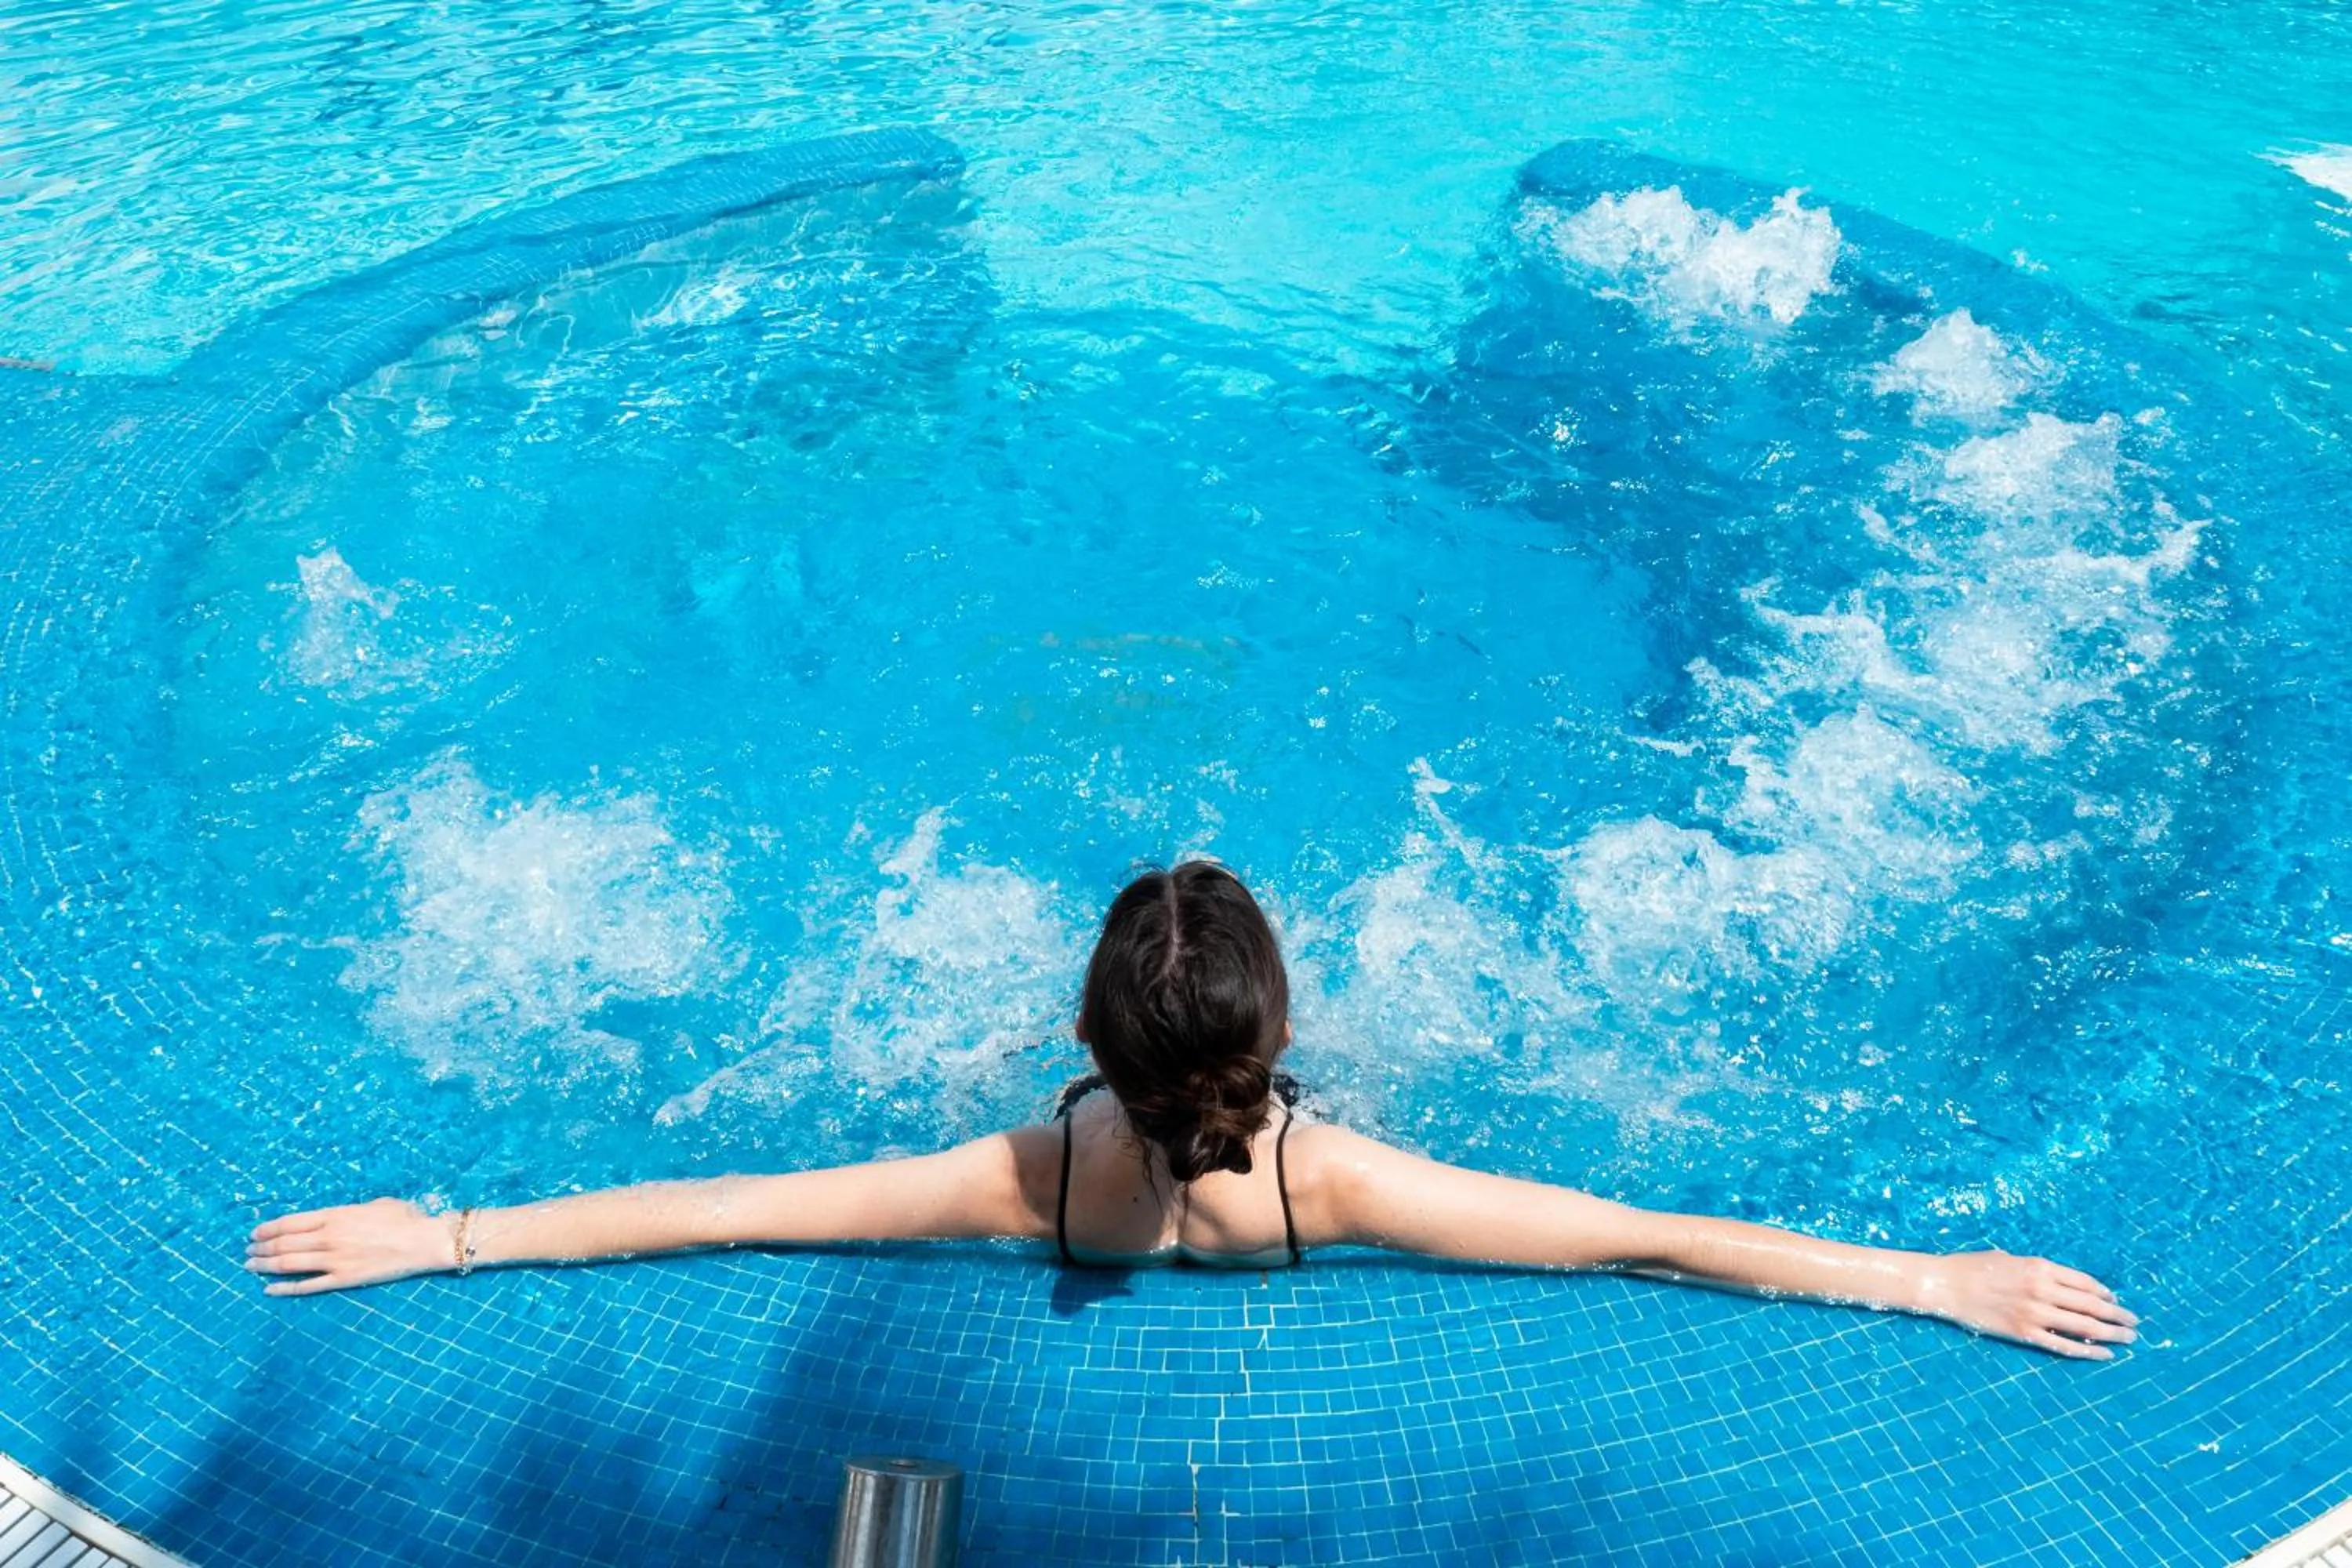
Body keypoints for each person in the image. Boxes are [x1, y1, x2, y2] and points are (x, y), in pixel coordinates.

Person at [249, 860, 2138, 1359]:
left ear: (1083, 1037)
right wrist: (1921, 1279)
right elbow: (1647, 1235)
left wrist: (458, 1237)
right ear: (1279, 1031)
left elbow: (733, 1202)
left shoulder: (1025, 1175)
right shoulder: (1357, 1177)